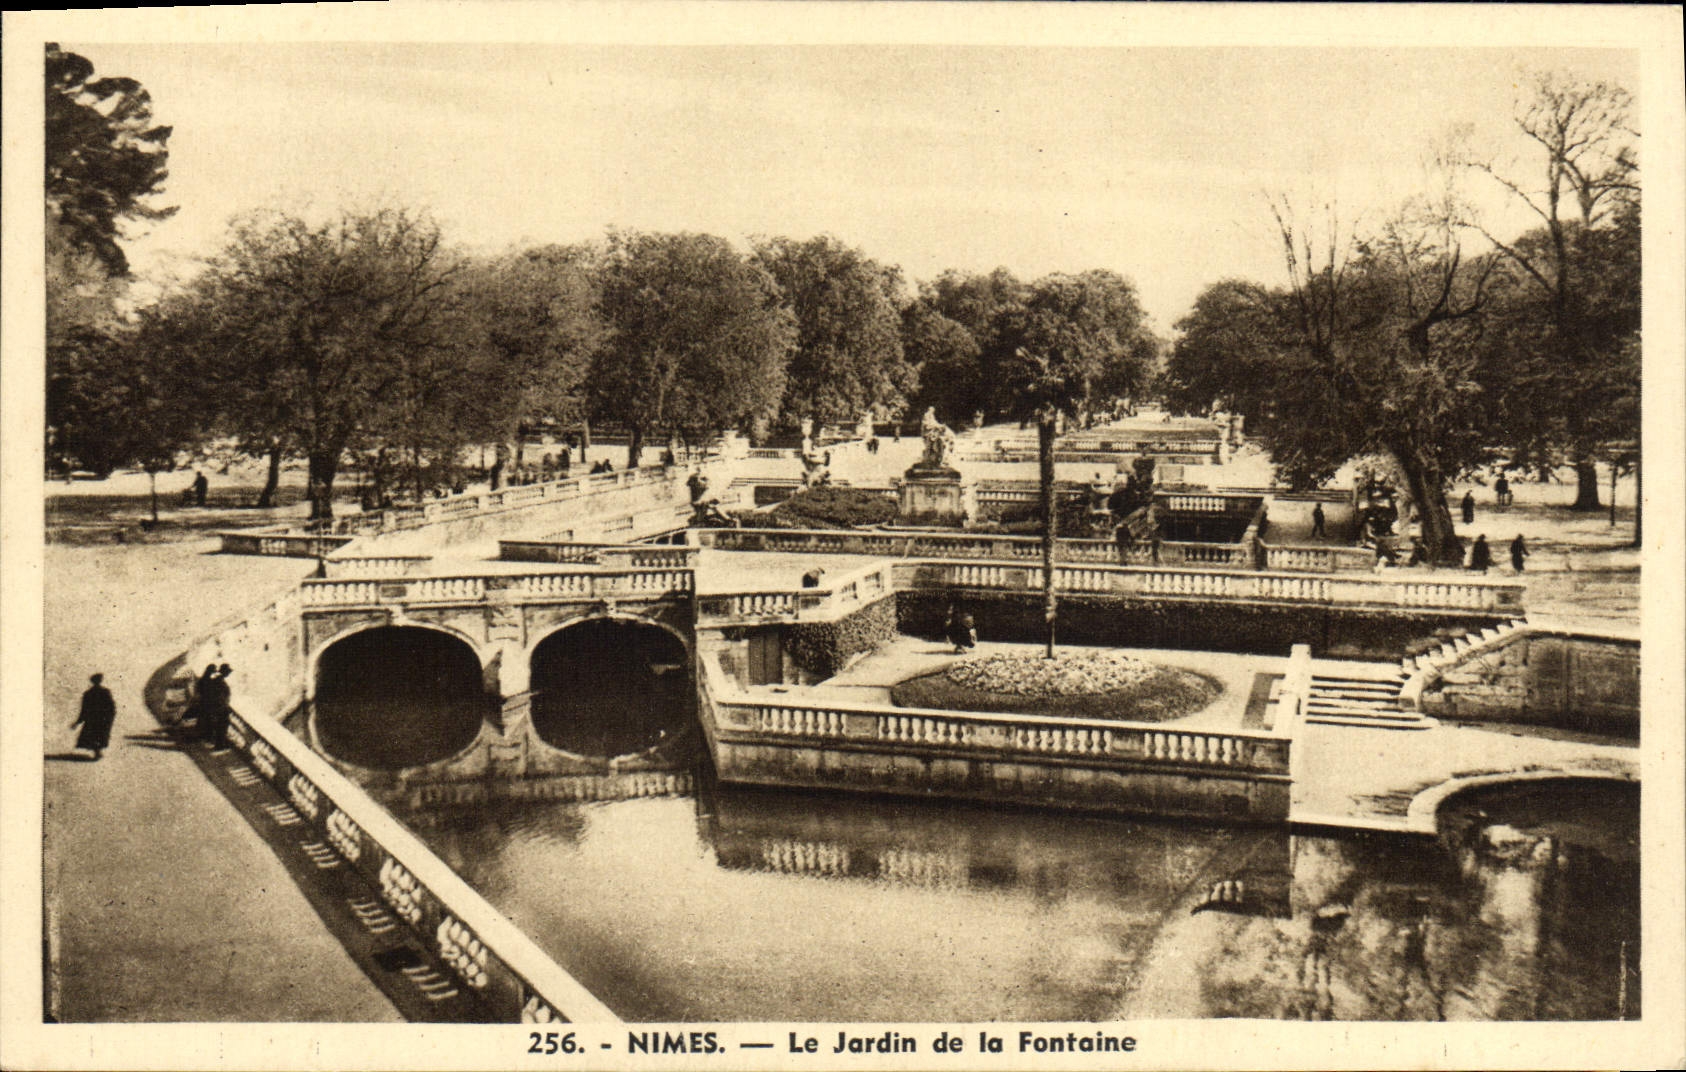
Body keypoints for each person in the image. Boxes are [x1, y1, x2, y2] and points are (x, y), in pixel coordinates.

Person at [72, 673, 116, 760]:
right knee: (99, 736)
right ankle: (97, 752)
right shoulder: (105, 692)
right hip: (103, 719)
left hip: (92, 719)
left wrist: (78, 722)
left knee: (94, 736)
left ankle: (97, 752)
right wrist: (110, 718)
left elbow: (84, 710)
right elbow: (111, 707)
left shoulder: (88, 693)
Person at [201, 664, 233, 749]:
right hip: (219, 707)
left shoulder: (217, 680)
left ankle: (218, 743)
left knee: (220, 725)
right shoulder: (219, 681)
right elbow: (219, 695)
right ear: (224, 672)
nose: (228, 673)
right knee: (222, 725)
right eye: (228, 672)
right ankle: (219, 744)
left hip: (218, 706)